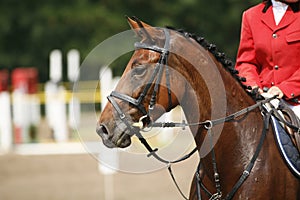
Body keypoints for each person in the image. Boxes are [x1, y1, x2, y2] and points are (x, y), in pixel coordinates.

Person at [235, 0, 300, 117]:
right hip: (264, 98)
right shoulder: (251, 16)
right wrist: (253, 86)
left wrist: (284, 88)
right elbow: (246, 62)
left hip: (296, 101)